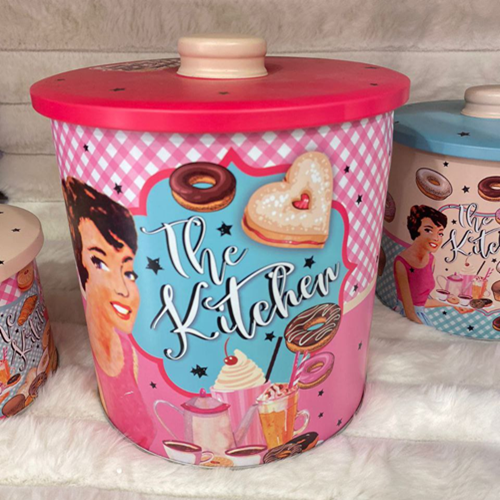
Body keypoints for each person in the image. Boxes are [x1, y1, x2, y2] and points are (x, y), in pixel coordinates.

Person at [63, 176, 155, 448]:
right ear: (81, 265)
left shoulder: (131, 354)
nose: (123, 289)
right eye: (100, 262)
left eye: (127, 271)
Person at [394, 205, 448, 326]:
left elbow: (421, 301)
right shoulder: (401, 262)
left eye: (440, 233)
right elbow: (409, 312)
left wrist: (452, 303)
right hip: (406, 318)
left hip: (420, 315)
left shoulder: (431, 260)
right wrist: (424, 330)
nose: (436, 238)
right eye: (428, 230)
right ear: (415, 229)